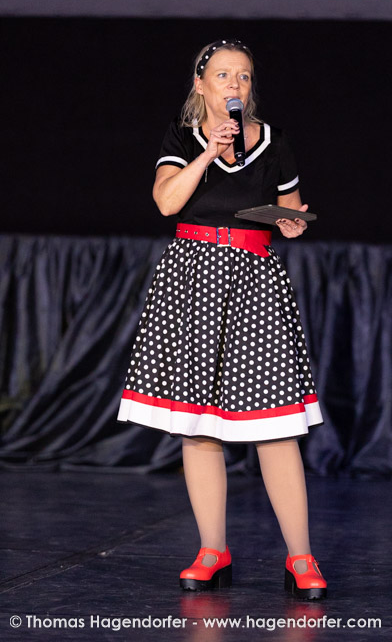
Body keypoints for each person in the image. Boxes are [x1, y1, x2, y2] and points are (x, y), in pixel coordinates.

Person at [117, 39, 327, 600]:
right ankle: (213, 550)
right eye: (224, 75)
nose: (235, 84)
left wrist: (290, 223)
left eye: (245, 76)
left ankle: (301, 557)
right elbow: (167, 203)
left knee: (275, 426)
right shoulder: (182, 137)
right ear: (201, 84)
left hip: (254, 283)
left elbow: (291, 209)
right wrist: (209, 152)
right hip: (193, 283)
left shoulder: (274, 141)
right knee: (199, 426)